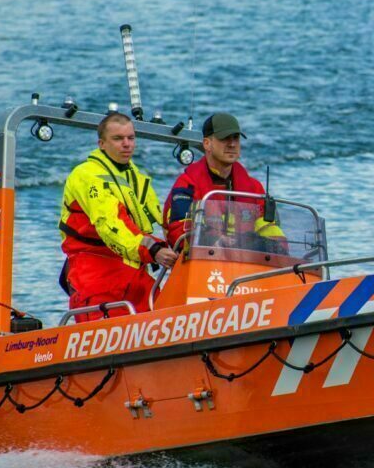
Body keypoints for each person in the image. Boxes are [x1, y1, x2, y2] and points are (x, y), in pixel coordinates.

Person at [59, 112, 178, 322]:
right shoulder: (86, 176)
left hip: (133, 273)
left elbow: (162, 220)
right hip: (96, 275)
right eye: (118, 139)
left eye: (131, 138)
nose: (126, 144)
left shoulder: (136, 177)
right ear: (102, 144)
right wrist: (153, 249)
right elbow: (111, 224)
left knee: (169, 313)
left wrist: (183, 245)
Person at [163, 112, 284, 250]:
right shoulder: (187, 185)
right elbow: (177, 231)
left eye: (236, 138)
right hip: (202, 264)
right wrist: (213, 242)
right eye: (225, 138)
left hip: (246, 266)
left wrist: (277, 248)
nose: (232, 144)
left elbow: (271, 229)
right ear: (207, 144)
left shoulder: (254, 188)